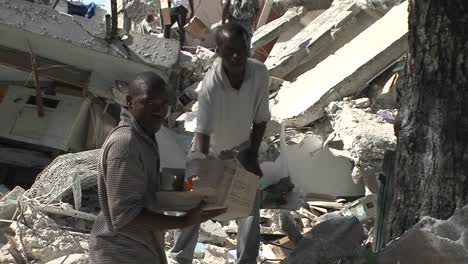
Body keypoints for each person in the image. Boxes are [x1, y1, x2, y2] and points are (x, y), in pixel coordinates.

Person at [88, 72, 225, 264]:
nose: (159, 111)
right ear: (130, 102)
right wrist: (183, 221)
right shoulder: (126, 144)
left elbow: (150, 185)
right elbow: (124, 216)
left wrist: (195, 183)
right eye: (150, 103)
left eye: (164, 105)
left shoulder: (146, 138)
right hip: (121, 254)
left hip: (142, 250)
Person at [169, 23, 270, 264]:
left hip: (241, 148)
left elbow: (260, 119)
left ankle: (247, 260)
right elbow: (203, 133)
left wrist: (252, 155)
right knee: (192, 201)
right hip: (207, 149)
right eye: (229, 50)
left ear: (249, 47)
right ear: (219, 51)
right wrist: (202, 168)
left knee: (249, 203)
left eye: (241, 48)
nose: (236, 56)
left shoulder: (259, 73)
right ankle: (179, 257)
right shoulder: (212, 83)